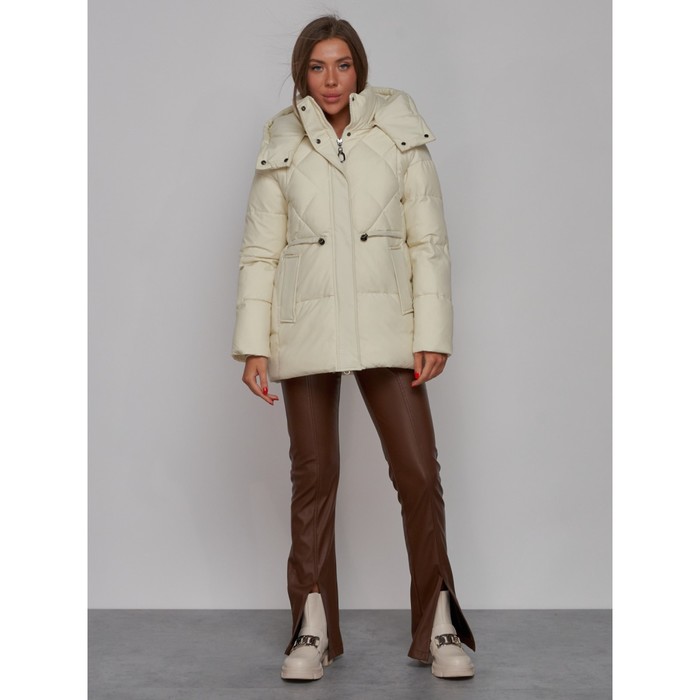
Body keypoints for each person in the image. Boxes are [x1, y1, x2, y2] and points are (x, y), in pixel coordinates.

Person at [231, 15, 476, 682]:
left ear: (359, 69)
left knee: (418, 472)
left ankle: (439, 623)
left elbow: (428, 241)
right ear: (302, 73)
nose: (331, 79)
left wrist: (432, 333)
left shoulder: (398, 130)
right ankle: (312, 627)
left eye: (342, 65)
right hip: (305, 323)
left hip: (387, 323)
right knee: (313, 477)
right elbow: (260, 251)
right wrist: (254, 346)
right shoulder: (281, 138)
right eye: (318, 67)